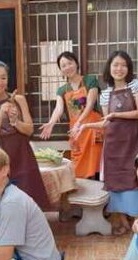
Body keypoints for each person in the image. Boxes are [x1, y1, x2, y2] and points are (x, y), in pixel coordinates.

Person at [78, 50, 138, 235]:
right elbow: (106, 122)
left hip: (134, 140)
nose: (119, 69)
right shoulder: (105, 94)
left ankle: (136, 216)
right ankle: (122, 218)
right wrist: (86, 126)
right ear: (109, 68)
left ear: (129, 68)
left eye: (123, 65)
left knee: (134, 177)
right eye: (115, 65)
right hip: (113, 143)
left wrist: (116, 114)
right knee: (116, 179)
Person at [0, 61, 51, 210]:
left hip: (23, 154)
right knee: (6, 200)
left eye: (3, 78)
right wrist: (1, 114)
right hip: (0, 157)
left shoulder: (19, 100)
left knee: (30, 199)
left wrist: (15, 121)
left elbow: (29, 130)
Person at [38, 51, 102, 179]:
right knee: (77, 167)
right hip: (76, 132)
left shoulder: (90, 80)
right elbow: (58, 108)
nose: (67, 67)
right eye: (63, 65)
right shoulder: (62, 90)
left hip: (93, 128)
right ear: (61, 70)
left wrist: (79, 122)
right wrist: (51, 122)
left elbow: (90, 105)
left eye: (70, 63)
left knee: (96, 164)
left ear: (76, 63)